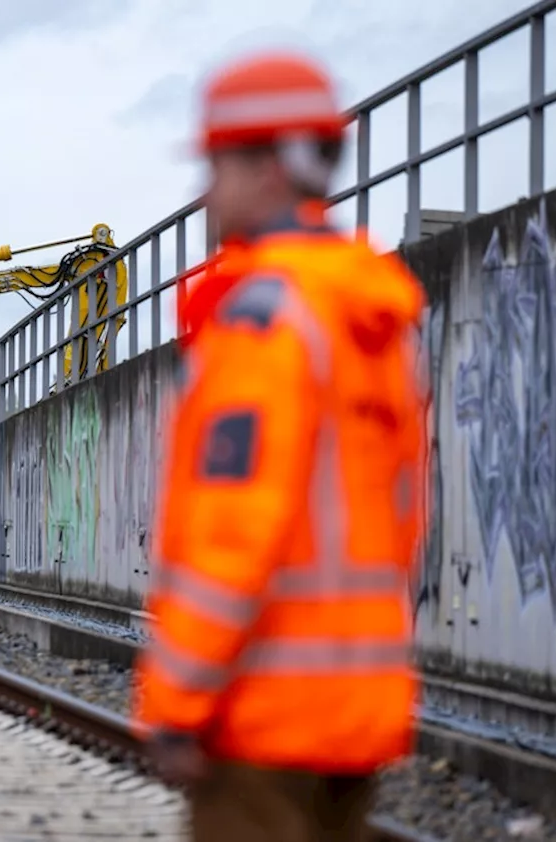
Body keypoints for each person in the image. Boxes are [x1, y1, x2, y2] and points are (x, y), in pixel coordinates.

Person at [133, 49, 429, 842]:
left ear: (271, 165)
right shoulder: (373, 317)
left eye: (217, 166)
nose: (206, 192)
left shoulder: (264, 319)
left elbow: (236, 529)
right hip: (356, 710)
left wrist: (177, 699)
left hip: (261, 712)